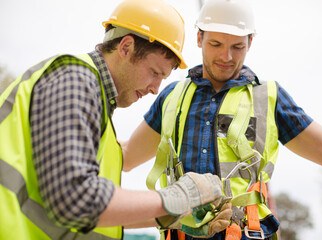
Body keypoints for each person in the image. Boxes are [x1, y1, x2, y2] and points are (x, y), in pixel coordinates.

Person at [121, 0, 322, 239]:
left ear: (250, 43)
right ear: (199, 38)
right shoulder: (172, 97)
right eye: (216, 44)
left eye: (237, 46)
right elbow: (128, 156)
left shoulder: (269, 97)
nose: (227, 56)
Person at [0, 0, 228, 239]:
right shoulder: (74, 80)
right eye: (154, 73)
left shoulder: (99, 114)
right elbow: (74, 200)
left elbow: (97, 213)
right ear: (126, 47)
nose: (155, 89)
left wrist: (178, 218)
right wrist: (180, 196)